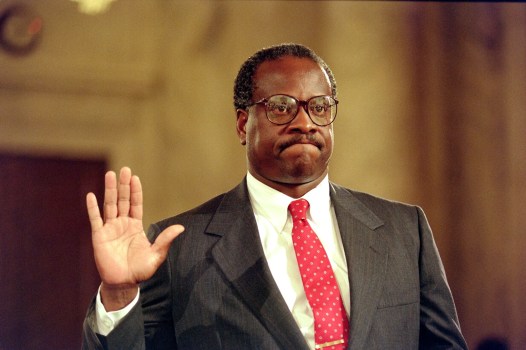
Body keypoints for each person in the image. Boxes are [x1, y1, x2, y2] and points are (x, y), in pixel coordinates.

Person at [82, 43, 467, 349]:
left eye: (319, 107)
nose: (304, 122)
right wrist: (118, 295)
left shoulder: (404, 231)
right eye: (281, 108)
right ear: (242, 123)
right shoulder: (180, 247)